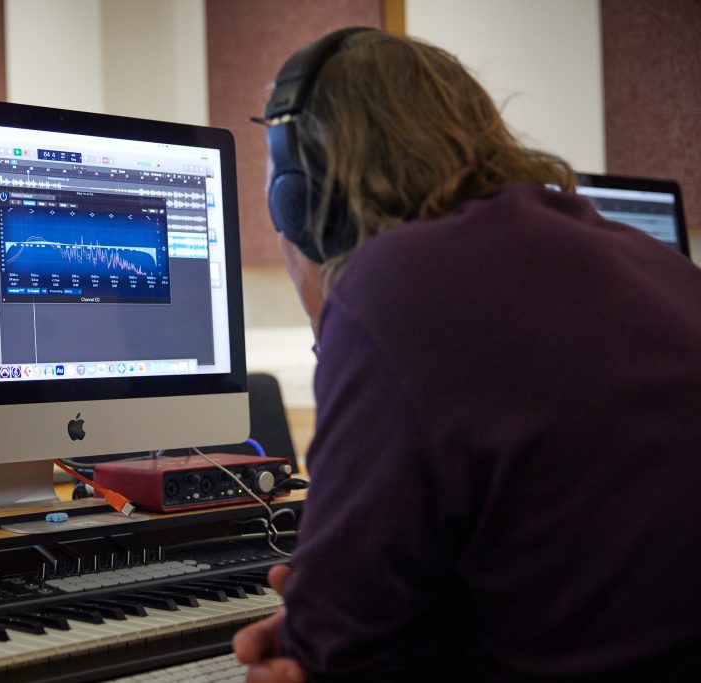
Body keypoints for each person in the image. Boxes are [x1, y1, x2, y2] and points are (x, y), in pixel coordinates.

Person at [233, 27, 701, 682]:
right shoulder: (655, 261)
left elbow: (342, 650)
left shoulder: (391, 288)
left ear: (304, 204)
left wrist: (317, 629)